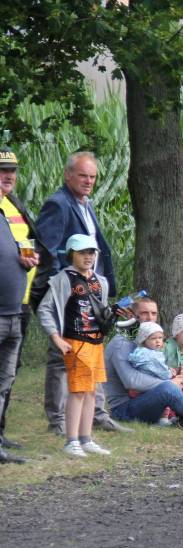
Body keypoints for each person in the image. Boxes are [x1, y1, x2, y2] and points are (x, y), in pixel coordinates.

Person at [32, 151, 128, 433]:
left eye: (93, 177)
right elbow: (47, 250)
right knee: (62, 356)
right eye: (83, 175)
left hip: (92, 289)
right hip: (70, 293)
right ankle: (59, 420)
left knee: (93, 351)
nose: (88, 181)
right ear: (68, 175)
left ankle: (97, 414)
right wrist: (62, 289)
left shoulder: (86, 204)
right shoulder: (58, 204)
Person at [36, 234, 120, 457]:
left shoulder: (100, 281)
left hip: (96, 342)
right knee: (78, 392)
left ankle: (86, 438)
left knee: (91, 391)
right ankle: (71, 440)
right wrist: (56, 337)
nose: (88, 257)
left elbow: (101, 310)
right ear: (71, 254)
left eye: (91, 252)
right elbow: (45, 309)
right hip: (76, 342)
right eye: (82, 252)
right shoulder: (63, 279)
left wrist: (113, 315)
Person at [103, 303, 183, 433]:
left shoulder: (152, 340)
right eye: (144, 313)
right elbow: (132, 381)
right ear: (130, 315)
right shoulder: (122, 343)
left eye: (154, 313)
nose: (150, 317)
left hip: (155, 397)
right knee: (168, 388)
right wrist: (172, 382)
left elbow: (160, 369)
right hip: (126, 408)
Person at [0, 147, 37, 464]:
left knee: (6, 378)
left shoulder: (12, 206)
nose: (8, 175)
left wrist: (28, 259)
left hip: (17, 306)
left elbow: (20, 246)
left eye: (12, 170)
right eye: (2, 170)